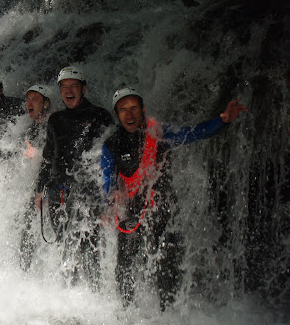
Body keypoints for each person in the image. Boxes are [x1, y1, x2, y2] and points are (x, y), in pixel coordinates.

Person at [102, 86, 248, 310]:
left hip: (162, 208)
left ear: (142, 109)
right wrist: (110, 203)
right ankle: (126, 314)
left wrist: (223, 120)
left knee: (167, 262)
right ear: (117, 114)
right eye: (123, 110)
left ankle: (167, 314)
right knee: (125, 266)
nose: (129, 114)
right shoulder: (111, 144)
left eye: (133, 108)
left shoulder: (159, 133)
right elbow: (107, 181)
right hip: (131, 213)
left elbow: (193, 133)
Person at [34, 66, 114, 290]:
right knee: (63, 242)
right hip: (57, 190)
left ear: (84, 88)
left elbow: (110, 158)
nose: (68, 91)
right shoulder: (55, 120)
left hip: (88, 192)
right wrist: (39, 191)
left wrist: (110, 194)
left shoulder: (100, 116)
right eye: (64, 87)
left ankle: (94, 290)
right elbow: (48, 158)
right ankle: (69, 291)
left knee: (90, 244)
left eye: (74, 86)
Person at [17, 84, 53, 271]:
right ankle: (24, 273)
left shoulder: (53, 125)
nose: (29, 103)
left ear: (46, 103)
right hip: (37, 186)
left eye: (35, 99)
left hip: (52, 187)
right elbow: (9, 151)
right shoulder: (31, 129)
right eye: (28, 99)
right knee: (26, 229)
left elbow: (56, 157)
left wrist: (38, 154)